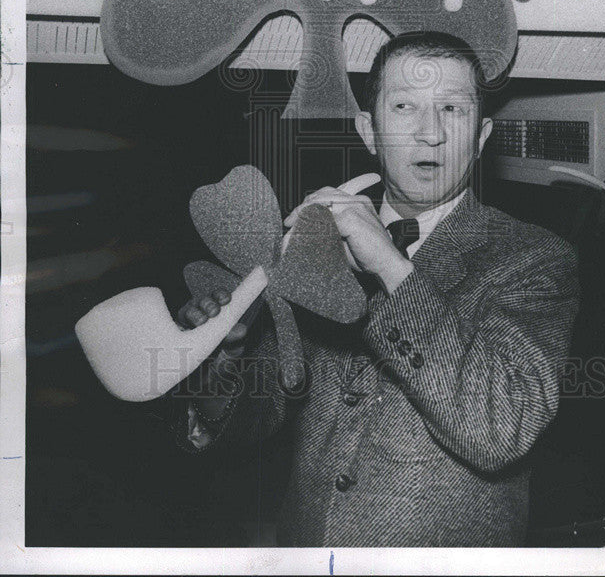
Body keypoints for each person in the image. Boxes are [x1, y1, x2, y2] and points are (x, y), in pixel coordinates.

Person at [173, 31, 579, 547]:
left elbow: (501, 426)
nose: (430, 133)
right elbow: (256, 421)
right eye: (405, 105)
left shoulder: (533, 258)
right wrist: (221, 360)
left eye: (452, 109)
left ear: (480, 137)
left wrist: (387, 263)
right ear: (369, 130)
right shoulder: (309, 244)